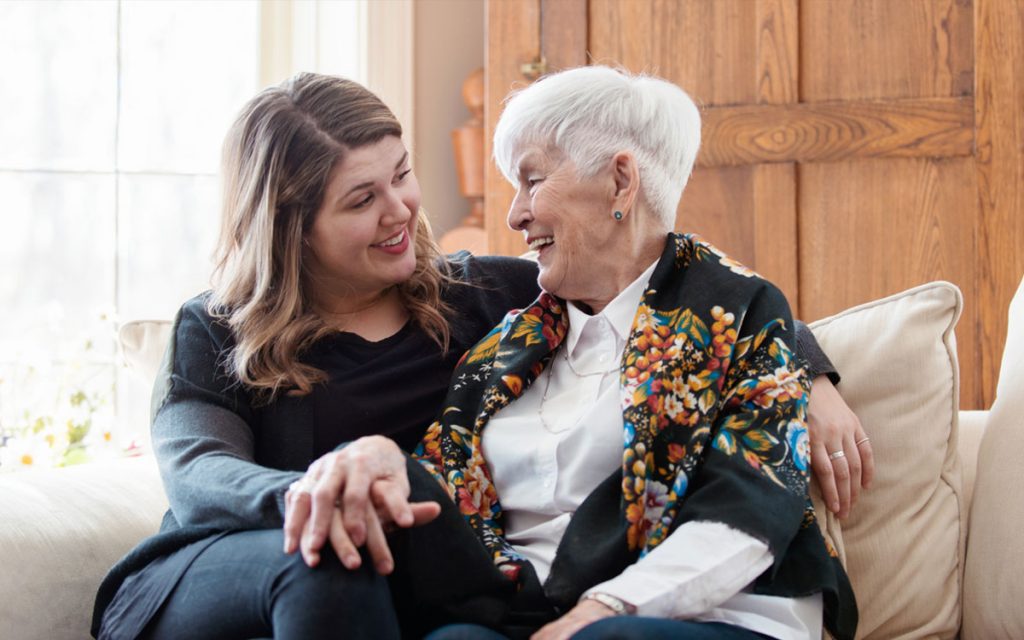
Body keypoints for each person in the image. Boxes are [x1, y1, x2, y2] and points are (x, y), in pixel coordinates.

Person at [92, 71, 863, 640]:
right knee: (333, 549)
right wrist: (328, 492)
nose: (399, 211)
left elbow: (659, 271)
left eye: (401, 175)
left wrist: (809, 371)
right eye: (361, 200)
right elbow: (199, 477)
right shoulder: (216, 325)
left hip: (391, 579)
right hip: (224, 562)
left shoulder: (477, 296)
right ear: (291, 226)